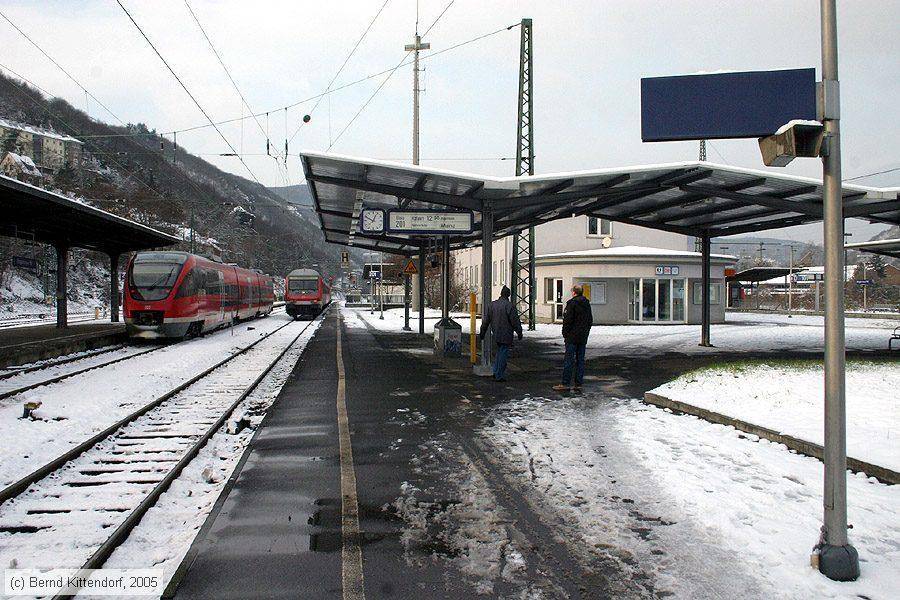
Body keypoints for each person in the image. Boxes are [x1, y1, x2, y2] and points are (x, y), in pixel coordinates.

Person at [479, 285, 523, 382]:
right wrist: (519, 332)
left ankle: (495, 371)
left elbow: (486, 321)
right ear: (508, 295)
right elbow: (515, 321)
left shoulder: (492, 305)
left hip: (496, 333)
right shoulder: (510, 306)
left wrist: (482, 332)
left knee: (499, 352)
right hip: (506, 334)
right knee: (503, 353)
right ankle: (499, 374)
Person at [553, 285, 593, 392]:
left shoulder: (571, 304)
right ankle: (578, 383)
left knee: (569, 360)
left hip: (572, 337)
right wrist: (585, 333)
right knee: (580, 360)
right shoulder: (587, 304)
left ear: (574, 293)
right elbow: (590, 320)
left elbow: (567, 321)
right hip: (582, 337)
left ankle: (565, 383)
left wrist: (565, 334)